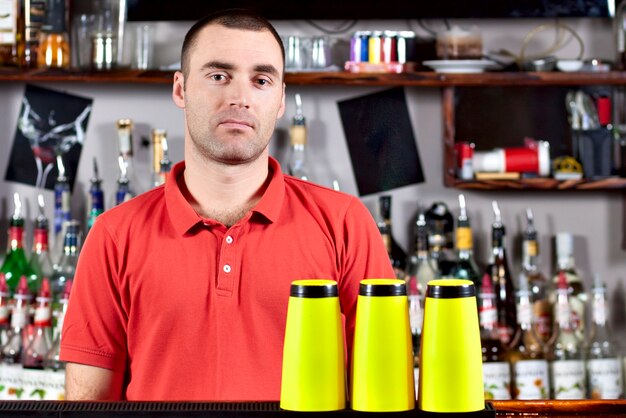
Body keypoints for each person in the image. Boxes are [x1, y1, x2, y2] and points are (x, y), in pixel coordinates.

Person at [60, 9, 395, 401]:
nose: (240, 97)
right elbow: (89, 406)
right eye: (219, 76)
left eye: (262, 80)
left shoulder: (344, 223)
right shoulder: (113, 235)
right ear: (181, 89)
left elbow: (383, 394)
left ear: (281, 99)